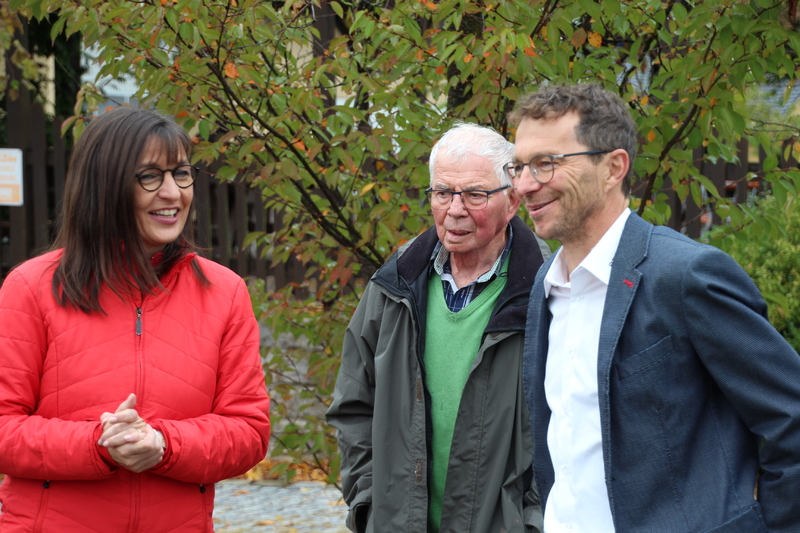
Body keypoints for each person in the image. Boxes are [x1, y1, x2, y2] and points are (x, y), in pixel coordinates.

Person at [509, 82, 800, 532]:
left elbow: (792, 419)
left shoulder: (684, 276)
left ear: (613, 168)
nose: (526, 185)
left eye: (546, 164)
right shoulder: (544, 291)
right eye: (519, 167)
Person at [0, 106, 271, 531]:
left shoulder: (225, 292)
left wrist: (164, 444)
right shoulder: (31, 288)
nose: (172, 193)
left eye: (181, 174)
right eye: (150, 176)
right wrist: (101, 445)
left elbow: (249, 432)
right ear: (103, 185)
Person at [327, 122, 547, 533]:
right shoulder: (395, 283)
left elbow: (570, 427)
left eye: (476, 194)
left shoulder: (547, 292)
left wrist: (531, 519)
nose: (455, 209)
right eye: (443, 192)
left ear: (513, 200)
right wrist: (368, 502)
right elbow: (353, 406)